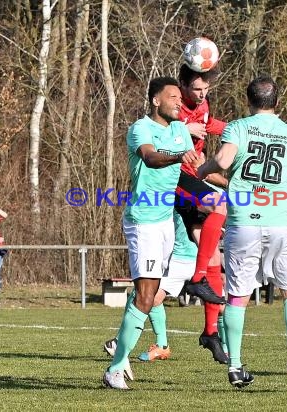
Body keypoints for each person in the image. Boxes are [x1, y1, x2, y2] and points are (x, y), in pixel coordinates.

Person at [197, 75, 287, 391]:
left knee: (238, 297)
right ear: (277, 103)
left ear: (248, 101)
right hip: (281, 224)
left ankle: (236, 365)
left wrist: (202, 169)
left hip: (244, 224)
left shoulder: (239, 127)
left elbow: (225, 160)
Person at [102, 76, 198, 390]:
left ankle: (121, 348)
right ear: (156, 100)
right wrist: (177, 156)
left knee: (148, 296)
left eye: (180, 98)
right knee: (145, 296)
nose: (178, 102)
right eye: (172, 97)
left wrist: (225, 188)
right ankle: (115, 368)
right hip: (142, 221)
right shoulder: (140, 128)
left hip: (165, 223)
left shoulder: (181, 130)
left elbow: (191, 174)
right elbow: (150, 157)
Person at [104, 210, 229, 370]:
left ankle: (225, 347)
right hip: (179, 259)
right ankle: (160, 345)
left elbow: (219, 224)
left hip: (193, 260)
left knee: (219, 305)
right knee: (149, 296)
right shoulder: (172, 198)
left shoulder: (200, 197)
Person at [174, 63, 231, 363]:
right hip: (173, 179)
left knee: (215, 259)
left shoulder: (204, 104)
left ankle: (210, 332)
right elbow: (152, 133)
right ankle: (196, 278)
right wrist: (183, 130)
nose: (201, 94)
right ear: (182, 85)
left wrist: (237, 129)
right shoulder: (171, 100)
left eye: (206, 89)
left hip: (193, 179)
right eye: (196, 89)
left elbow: (210, 125)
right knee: (219, 203)